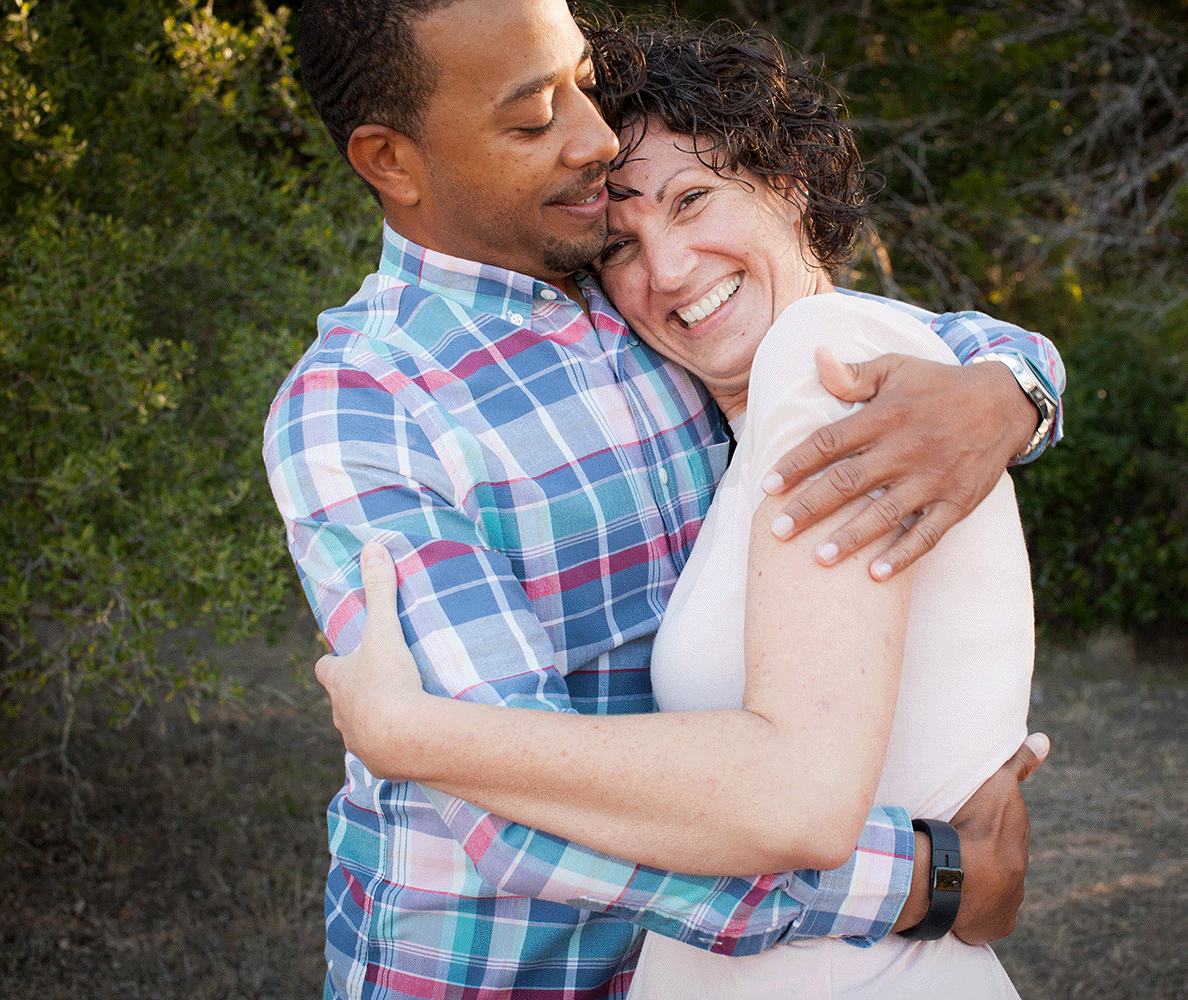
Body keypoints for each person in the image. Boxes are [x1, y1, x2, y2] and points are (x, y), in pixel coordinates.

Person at [265, 2, 1064, 997]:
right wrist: (925, 880)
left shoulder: (645, 303)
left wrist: (1014, 391)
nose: (593, 140)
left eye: (583, 83)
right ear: (391, 160)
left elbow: (869, 341)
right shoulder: (367, 402)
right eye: (534, 117)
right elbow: (513, 818)